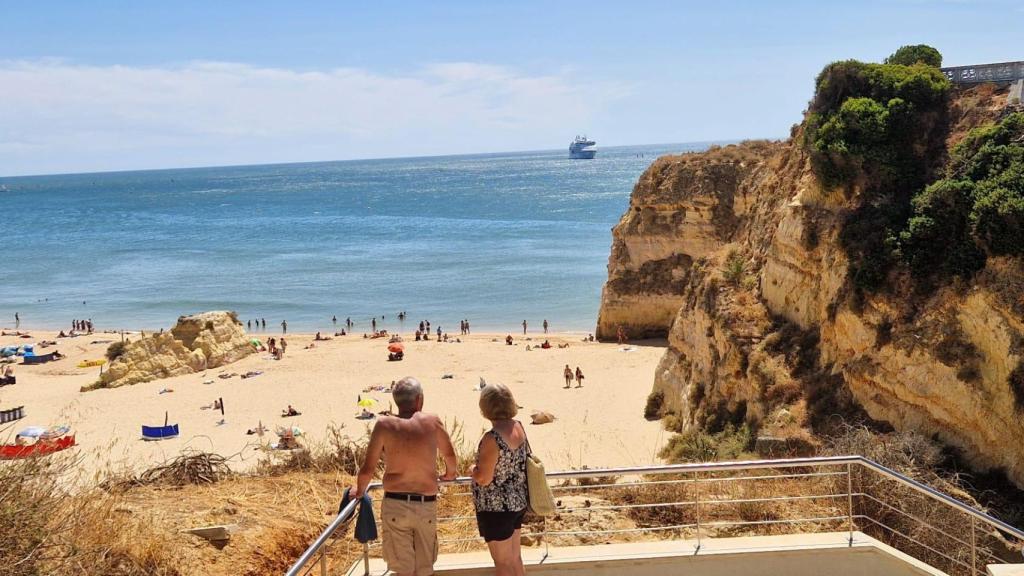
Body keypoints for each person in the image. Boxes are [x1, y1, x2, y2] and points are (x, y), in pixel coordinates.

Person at [353, 377, 457, 576]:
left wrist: (359, 492)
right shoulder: (432, 422)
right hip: (426, 503)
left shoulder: (384, 425)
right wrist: (449, 475)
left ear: (396, 401)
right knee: (425, 569)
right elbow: (450, 456)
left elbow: (367, 468)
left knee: (403, 569)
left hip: (396, 504)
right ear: (419, 400)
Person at [471, 383, 529, 576]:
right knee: (515, 559)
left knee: (503, 564)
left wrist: (473, 469)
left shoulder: (492, 438)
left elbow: (484, 478)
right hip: (517, 501)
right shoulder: (518, 427)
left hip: (496, 507)